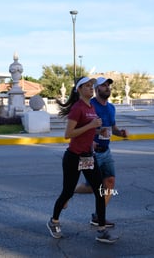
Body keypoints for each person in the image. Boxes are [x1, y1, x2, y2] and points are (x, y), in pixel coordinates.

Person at [46, 76, 118, 244]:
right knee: (67, 192)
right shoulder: (77, 108)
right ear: (78, 90)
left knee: (100, 190)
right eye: (87, 86)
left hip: (88, 156)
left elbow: (88, 129)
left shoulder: (91, 106)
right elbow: (68, 134)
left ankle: (101, 230)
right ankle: (54, 221)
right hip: (73, 157)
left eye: (91, 86)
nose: (91, 88)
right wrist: (91, 126)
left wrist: (98, 132)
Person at [75, 77, 128, 227]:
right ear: (97, 89)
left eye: (108, 86)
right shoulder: (89, 105)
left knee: (110, 182)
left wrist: (121, 132)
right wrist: (98, 131)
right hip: (89, 151)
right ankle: (70, 191)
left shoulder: (111, 108)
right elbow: (81, 129)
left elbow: (113, 128)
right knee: (92, 187)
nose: (107, 88)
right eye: (104, 86)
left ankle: (99, 217)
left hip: (106, 151)